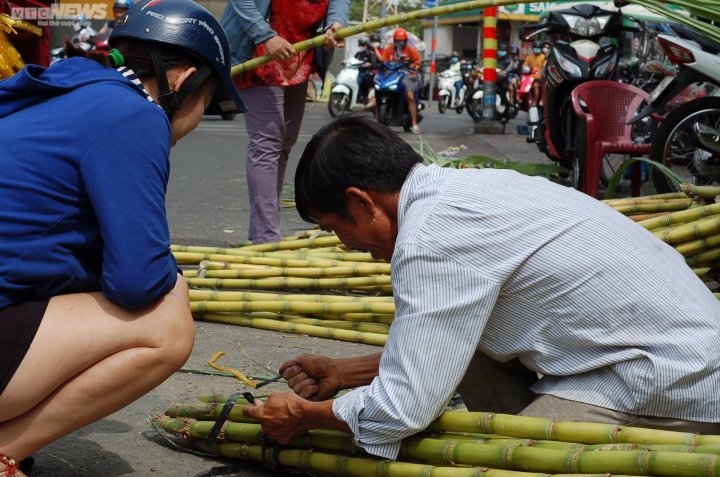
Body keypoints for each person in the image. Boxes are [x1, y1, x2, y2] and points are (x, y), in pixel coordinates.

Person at [242, 113, 720, 460]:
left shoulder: (431, 237)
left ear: (362, 202)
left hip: (662, 380)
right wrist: (347, 374)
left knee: (481, 461)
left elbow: (402, 409)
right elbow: (445, 344)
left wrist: (305, 415)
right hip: (654, 354)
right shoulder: (465, 190)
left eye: (333, 228)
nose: (344, 245)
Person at [0, 0, 247, 475]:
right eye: (208, 101)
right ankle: (3, 448)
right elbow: (137, 279)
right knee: (167, 318)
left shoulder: (67, 91)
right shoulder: (135, 115)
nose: (198, 121)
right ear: (185, 79)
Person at [220, 0, 350, 245]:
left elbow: (339, 3)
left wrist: (336, 24)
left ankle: (263, 229)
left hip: (298, 53)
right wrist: (265, 35)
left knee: (284, 143)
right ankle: (267, 237)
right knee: (267, 144)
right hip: (257, 51)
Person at [380, 28, 421, 134]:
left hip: (406, 74)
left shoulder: (411, 49)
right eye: (398, 40)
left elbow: (417, 62)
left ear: (406, 40)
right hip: (392, 74)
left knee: (410, 96)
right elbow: (384, 61)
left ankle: (414, 123)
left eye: (402, 41)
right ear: (394, 40)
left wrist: (413, 66)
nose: (400, 43)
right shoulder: (389, 49)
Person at [354, 38, 377, 104]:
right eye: (360, 45)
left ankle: (364, 97)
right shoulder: (358, 54)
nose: (361, 46)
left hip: (367, 72)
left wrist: (369, 64)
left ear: (367, 45)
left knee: (364, 81)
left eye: (363, 45)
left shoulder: (370, 54)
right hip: (358, 72)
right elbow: (353, 60)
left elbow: (374, 64)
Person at [524, 40, 545, 107]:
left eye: (538, 48)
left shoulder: (543, 57)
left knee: (535, 86)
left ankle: (535, 102)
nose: (536, 49)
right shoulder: (529, 57)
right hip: (529, 77)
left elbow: (544, 67)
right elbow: (524, 65)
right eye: (535, 47)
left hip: (539, 78)